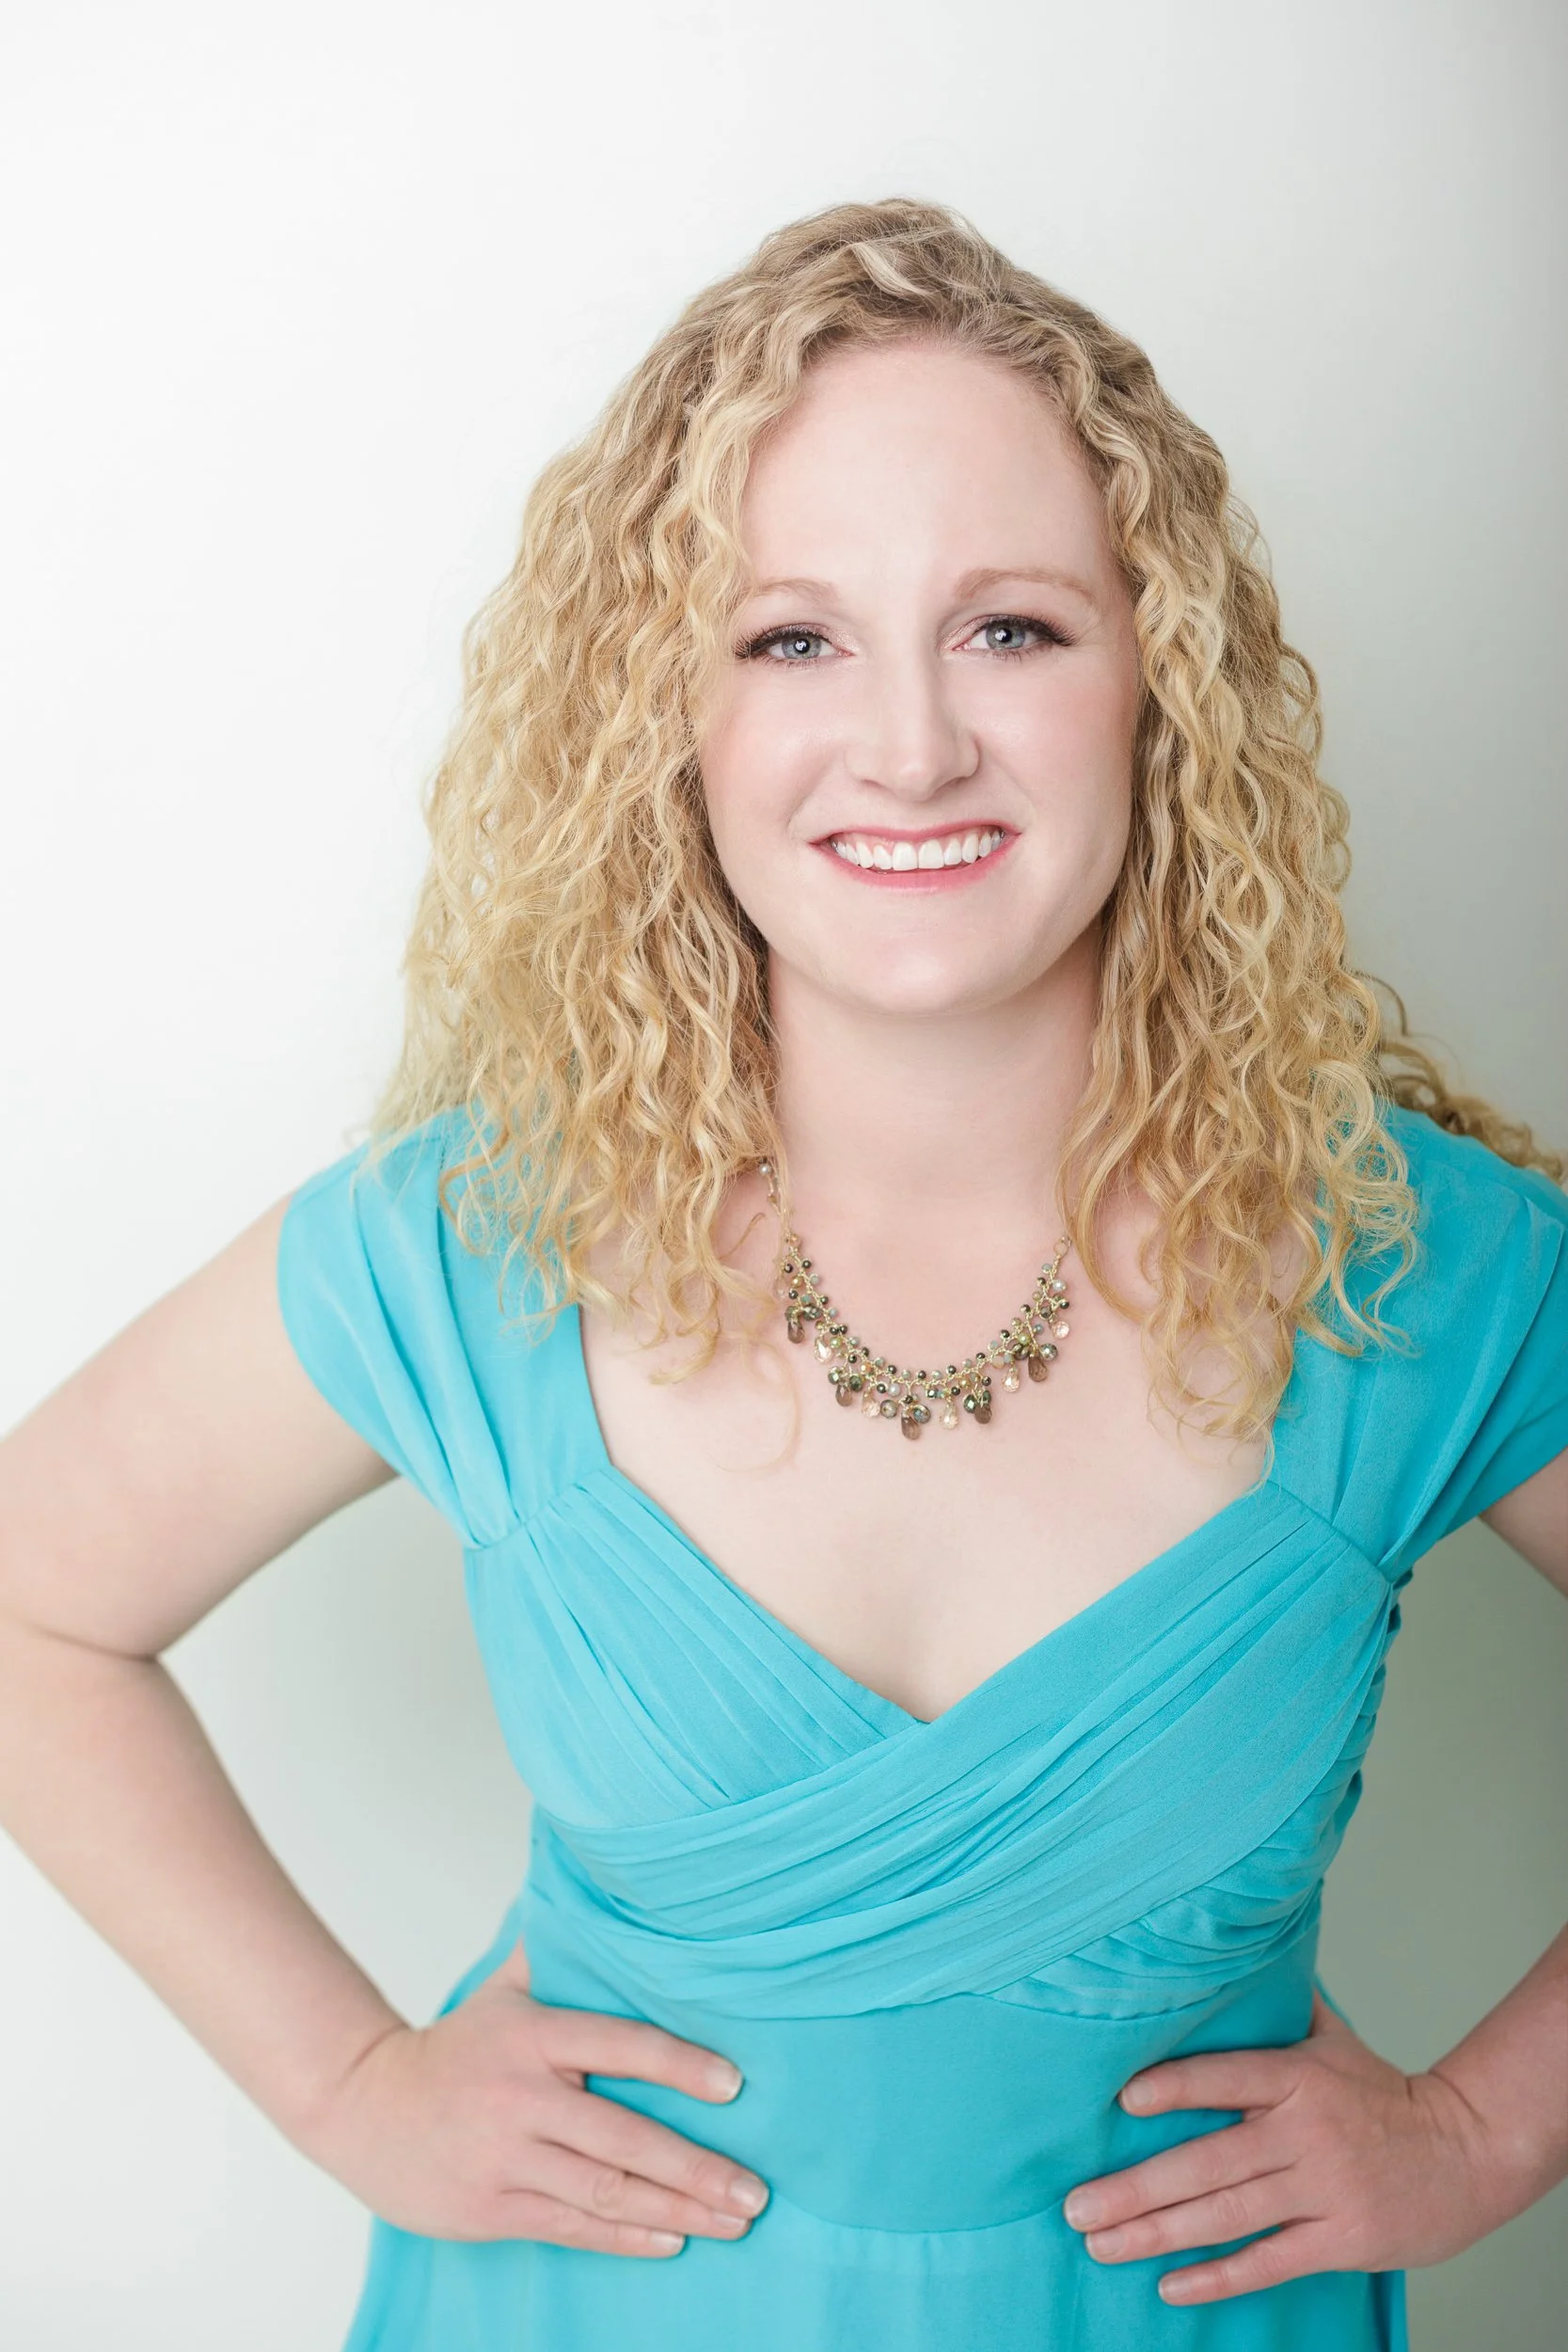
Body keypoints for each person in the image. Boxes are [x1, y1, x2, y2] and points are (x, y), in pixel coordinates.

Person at [1, 199, 1563, 2352]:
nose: (909, 744)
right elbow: (29, 1596)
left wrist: (1488, 2132)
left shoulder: (1416, 1267)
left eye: (1011, 627)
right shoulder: (475, 1245)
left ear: (1159, 686)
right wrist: (345, 2080)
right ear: (676, 722)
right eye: (791, 638)